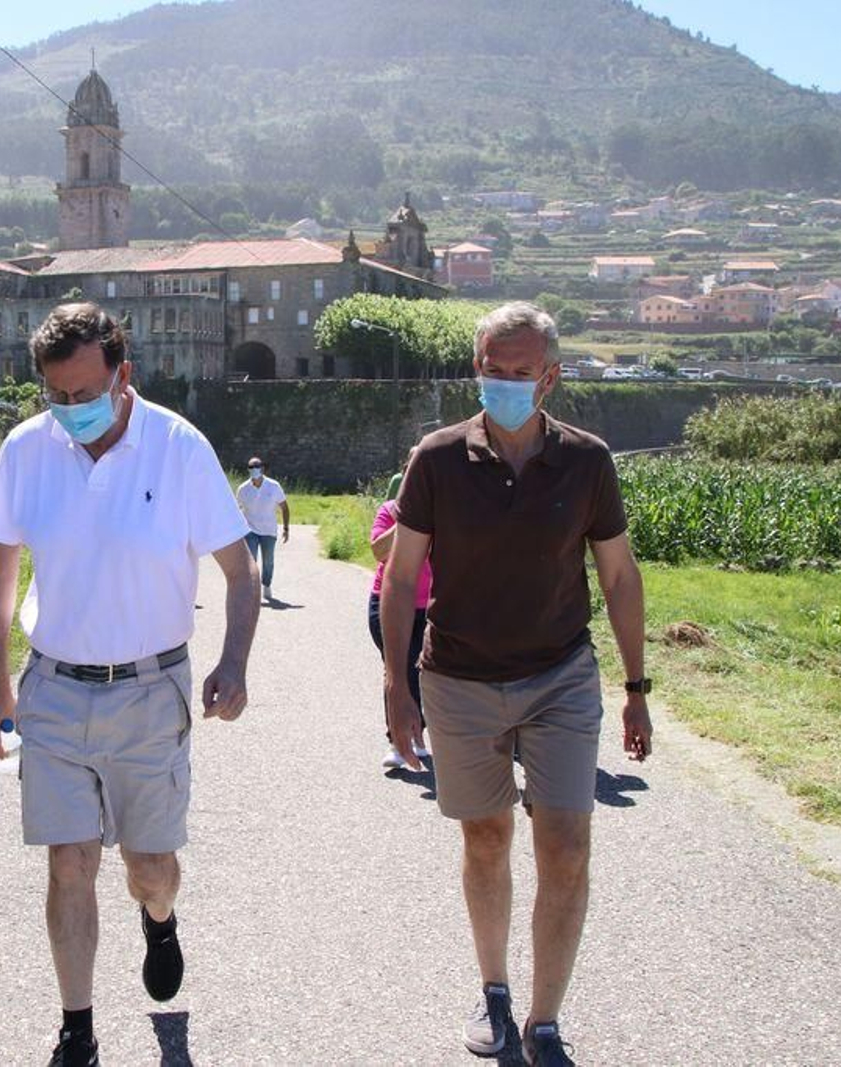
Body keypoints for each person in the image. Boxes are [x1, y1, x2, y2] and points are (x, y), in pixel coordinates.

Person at [0, 302, 259, 1067]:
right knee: (68, 861)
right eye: (55, 395)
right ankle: (78, 1027)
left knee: (148, 869)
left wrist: (233, 661)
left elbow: (240, 570)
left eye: (83, 392)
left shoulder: (178, 447)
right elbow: (2, 569)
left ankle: (159, 918)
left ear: (123, 374)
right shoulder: (27, 449)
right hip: (55, 690)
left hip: (148, 690)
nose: (69, 410)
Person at [380, 302, 653, 1066]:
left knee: (565, 841)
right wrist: (396, 687)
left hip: (560, 673)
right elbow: (401, 580)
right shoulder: (435, 459)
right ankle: (494, 988)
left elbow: (621, 576)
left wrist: (636, 684)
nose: (501, 384)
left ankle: (544, 1021)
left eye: (518, 373)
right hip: (459, 678)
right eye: (490, 371)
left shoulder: (589, 461)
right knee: (488, 834)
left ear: (551, 378)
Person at [368, 473, 431, 772]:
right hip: (389, 603)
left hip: (432, 606)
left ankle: (419, 731)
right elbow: (379, 552)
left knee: (426, 673)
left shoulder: (445, 511)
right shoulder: (389, 510)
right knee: (396, 669)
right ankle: (398, 741)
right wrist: (408, 518)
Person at [235, 456, 289, 601]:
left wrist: (286, 528)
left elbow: (284, 507)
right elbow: (235, 510)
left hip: (269, 531)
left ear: (263, 468)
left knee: (268, 561)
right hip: (250, 530)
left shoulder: (274, 486)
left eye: (256, 466)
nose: (254, 469)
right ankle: (251, 589)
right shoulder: (243, 489)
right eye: (251, 467)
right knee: (251, 560)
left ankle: (266, 584)